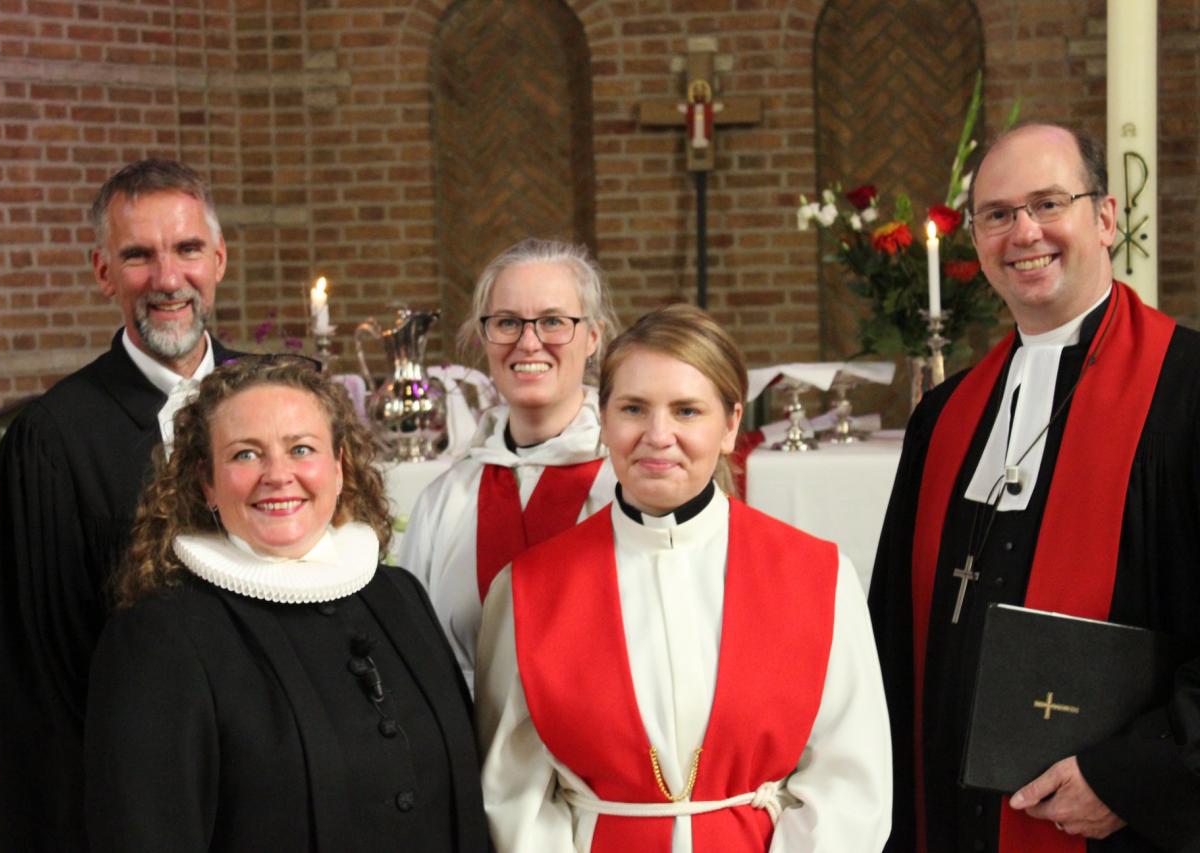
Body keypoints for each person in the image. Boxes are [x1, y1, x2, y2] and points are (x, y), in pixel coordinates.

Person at [869, 122, 1200, 853]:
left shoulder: (1187, 392)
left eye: (1049, 203)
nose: (1024, 232)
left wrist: (1133, 775)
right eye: (997, 214)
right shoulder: (945, 416)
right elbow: (893, 627)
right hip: (951, 819)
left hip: (1112, 824)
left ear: (1106, 218)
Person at [477, 303, 891, 852]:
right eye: (633, 408)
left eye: (688, 411)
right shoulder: (530, 590)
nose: (658, 434)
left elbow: (851, 783)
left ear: (730, 425)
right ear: (603, 419)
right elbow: (514, 791)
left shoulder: (816, 577)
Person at [83, 357, 490, 850]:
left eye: (301, 449)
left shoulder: (398, 595)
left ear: (339, 467)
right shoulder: (157, 640)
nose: (278, 475)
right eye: (245, 455)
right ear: (206, 481)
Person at [0, 159, 242, 849]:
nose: (167, 279)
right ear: (103, 273)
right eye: (138, 256)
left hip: (273, 775)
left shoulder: (281, 400)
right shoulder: (52, 440)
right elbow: (39, 682)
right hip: (139, 793)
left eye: (186, 249)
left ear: (218, 260)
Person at [399, 238, 620, 688]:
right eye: (507, 323)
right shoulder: (446, 499)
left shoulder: (630, 481)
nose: (529, 343)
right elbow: (412, 655)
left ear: (593, 336)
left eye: (554, 321)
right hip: (471, 749)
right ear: (485, 337)